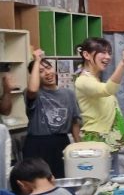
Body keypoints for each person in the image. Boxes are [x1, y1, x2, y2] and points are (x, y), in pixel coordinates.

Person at [74, 38, 124, 169]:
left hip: (108, 140)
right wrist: (123, 63)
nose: (107, 57)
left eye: (109, 53)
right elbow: (108, 89)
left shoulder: (94, 79)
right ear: (86, 55)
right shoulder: (83, 81)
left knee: (111, 178)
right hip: (96, 140)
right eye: (102, 52)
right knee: (99, 179)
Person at [23, 49, 81, 178]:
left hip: (61, 142)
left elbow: (75, 122)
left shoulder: (69, 94)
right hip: (37, 144)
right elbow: (32, 88)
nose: (47, 73)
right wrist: (37, 60)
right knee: (38, 181)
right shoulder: (34, 94)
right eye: (40, 71)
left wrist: (78, 146)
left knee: (62, 179)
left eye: (48, 68)